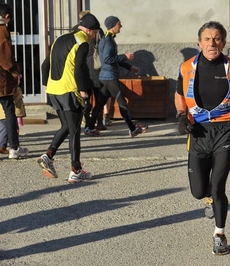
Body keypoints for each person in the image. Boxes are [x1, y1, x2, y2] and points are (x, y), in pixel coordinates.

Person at [174, 21, 230, 255]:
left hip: (224, 133)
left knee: (218, 186)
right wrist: (181, 116)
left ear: (224, 42)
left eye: (217, 38)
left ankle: (219, 234)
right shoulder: (186, 68)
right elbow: (179, 95)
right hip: (198, 134)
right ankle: (207, 198)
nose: (213, 43)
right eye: (208, 39)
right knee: (199, 191)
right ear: (199, 43)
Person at [39, 13, 101, 183]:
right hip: (69, 90)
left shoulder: (60, 39)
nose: (94, 36)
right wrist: (83, 93)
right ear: (88, 30)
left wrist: (48, 86)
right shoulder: (82, 43)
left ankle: (48, 155)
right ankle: (76, 170)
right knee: (74, 131)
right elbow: (78, 71)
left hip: (54, 89)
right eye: (95, 33)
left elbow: (45, 66)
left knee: (67, 125)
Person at [84, 15, 148, 137]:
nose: (121, 26)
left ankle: (89, 128)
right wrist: (125, 56)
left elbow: (112, 59)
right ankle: (132, 129)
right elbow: (108, 59)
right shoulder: (108, 41)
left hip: (104, 77)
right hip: (110, 77)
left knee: (99, 104)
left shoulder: (106, 39)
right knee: (122, 103)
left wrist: (129, 67)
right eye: (119, 24)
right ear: (113, 26)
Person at [0, 3, 29, 159]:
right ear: (7, 16)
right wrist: (15, 71)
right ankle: (14, 148)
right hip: (1, 81)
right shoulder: (2, 29)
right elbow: (5, 58)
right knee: (9, 111)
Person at [72, 10, 107, 131]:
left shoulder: (75, 30)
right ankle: (99, 122)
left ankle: (87, 123)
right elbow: (103, 46)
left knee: (85, 97)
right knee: (99, 96)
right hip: (96, 66)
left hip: (83, 67)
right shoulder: (98, 30)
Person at [0, 77, 26, 155]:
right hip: (13, 114)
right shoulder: (15, 90)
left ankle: (2, 145)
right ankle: (14, 147)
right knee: (14, 129)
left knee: (3, 131)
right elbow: (18, 103)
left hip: (2, 114)